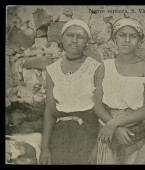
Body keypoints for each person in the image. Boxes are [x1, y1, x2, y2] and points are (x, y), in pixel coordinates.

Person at [94, 17, 145, 164]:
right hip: (109, 131)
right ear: (115, 39)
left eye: (133, 36)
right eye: (122, 35)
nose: (127, 40)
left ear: (139, 40)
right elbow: (98, 106)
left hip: (138, 131)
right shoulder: (105, 67)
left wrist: (115, 124)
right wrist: (113, 126)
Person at [39, 19, 101, 164]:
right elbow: (49, 111)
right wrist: (45, 148)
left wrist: (97, 147)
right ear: (62, 38)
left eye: (80, 37)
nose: (74, 40)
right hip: (60, 134)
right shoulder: (52, 70)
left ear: (87, 41)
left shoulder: (96, 67)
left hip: (87, 132)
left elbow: (101, 109)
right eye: (70, 35)